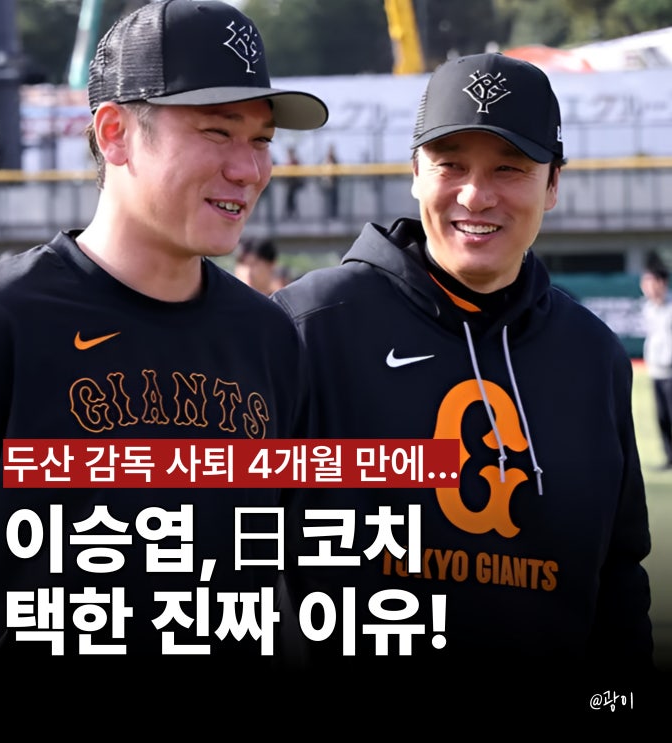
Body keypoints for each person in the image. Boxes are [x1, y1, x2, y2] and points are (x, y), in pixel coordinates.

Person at [0, 0, 327, 670]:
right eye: (216, 131)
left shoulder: (270, 339)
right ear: (114, 133)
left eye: (260, 140)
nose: (248, 169)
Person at [272, 53, 655, 702]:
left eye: (509, 168)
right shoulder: (308, 327)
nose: (476, 196)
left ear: (553, 184)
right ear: (415, 173)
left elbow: (618, 580)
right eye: (450, 165)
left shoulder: (592, 355)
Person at [640, 253, 672, 470]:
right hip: (656, 369)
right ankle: (669, 457)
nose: (646, 287)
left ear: (661, 283)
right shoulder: (648, 308)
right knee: (662, 417)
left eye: (650, 282)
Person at [319, 143, 340, 220]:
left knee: (334, 201)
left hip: (333, 184)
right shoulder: (325, 160)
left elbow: (338, 173)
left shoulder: (335, 160)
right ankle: (326, 216)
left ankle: (333, 216)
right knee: (326, 201)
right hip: (326, 184)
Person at [283, 145, 304, 219]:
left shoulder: (295, 161)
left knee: (292, 198)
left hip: (294, 184)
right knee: (289, 198)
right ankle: (289, 212)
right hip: (289, 184)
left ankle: (292, 212)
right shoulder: (288, 161)